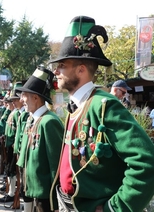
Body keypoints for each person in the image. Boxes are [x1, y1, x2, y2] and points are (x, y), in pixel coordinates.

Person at [49, 15, 154, 212]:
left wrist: (114, 208)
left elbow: (146, 161)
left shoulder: (103, 105)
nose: (56, 72)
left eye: (62, 65)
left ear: (81, 69)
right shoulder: (77, 105)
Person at [17, 65, 64, 212]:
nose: (21, 99)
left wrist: (56, 203)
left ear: (36, 97)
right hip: (34, 192)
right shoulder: (33, 120)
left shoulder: (49, 122)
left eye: (24, 95)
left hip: (47, 197)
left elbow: (56, 166)